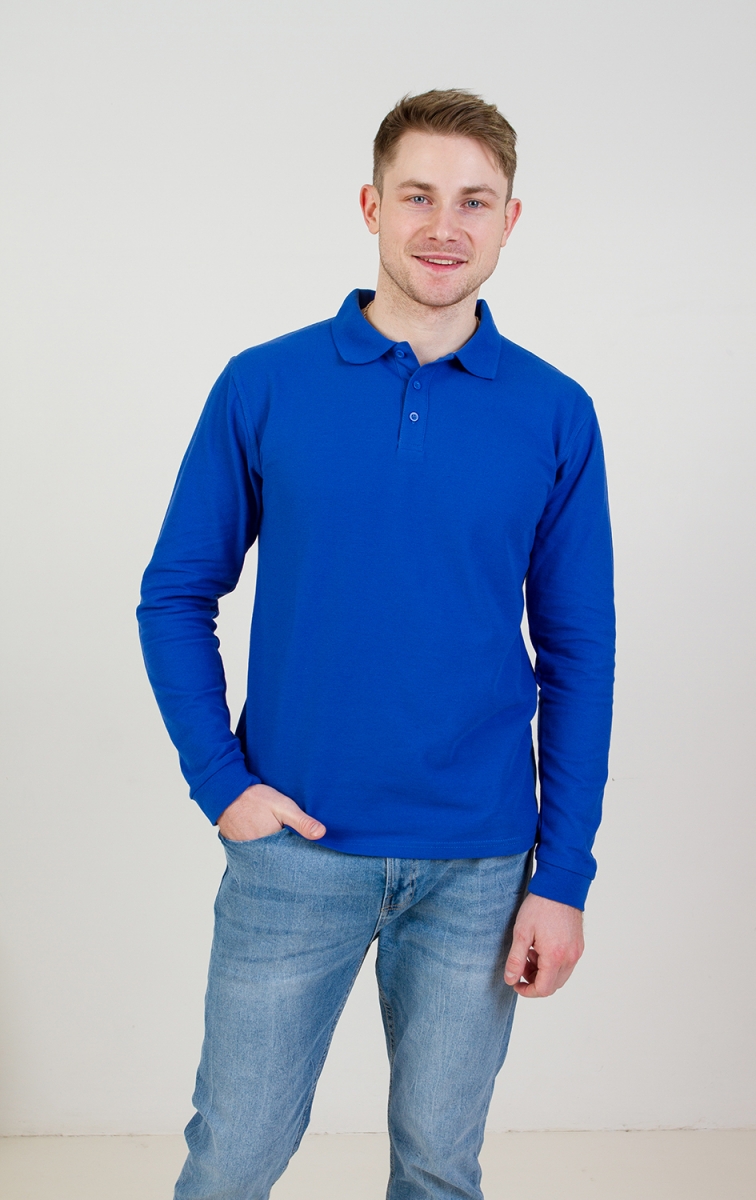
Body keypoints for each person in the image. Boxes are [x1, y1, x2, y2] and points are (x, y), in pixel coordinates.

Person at [137, 88, 615, 1200]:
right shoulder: (266, 383)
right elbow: (175, 594)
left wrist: (563, 875)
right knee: (231, 1161)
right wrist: (222, 785)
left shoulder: (554, 411)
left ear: (509, 220)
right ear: (370, 205)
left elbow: (578, 655)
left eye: (474, 201)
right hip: (292, 851)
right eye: (417, 196)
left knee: (439, 1170)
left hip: (479, 866)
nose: (444, 226)